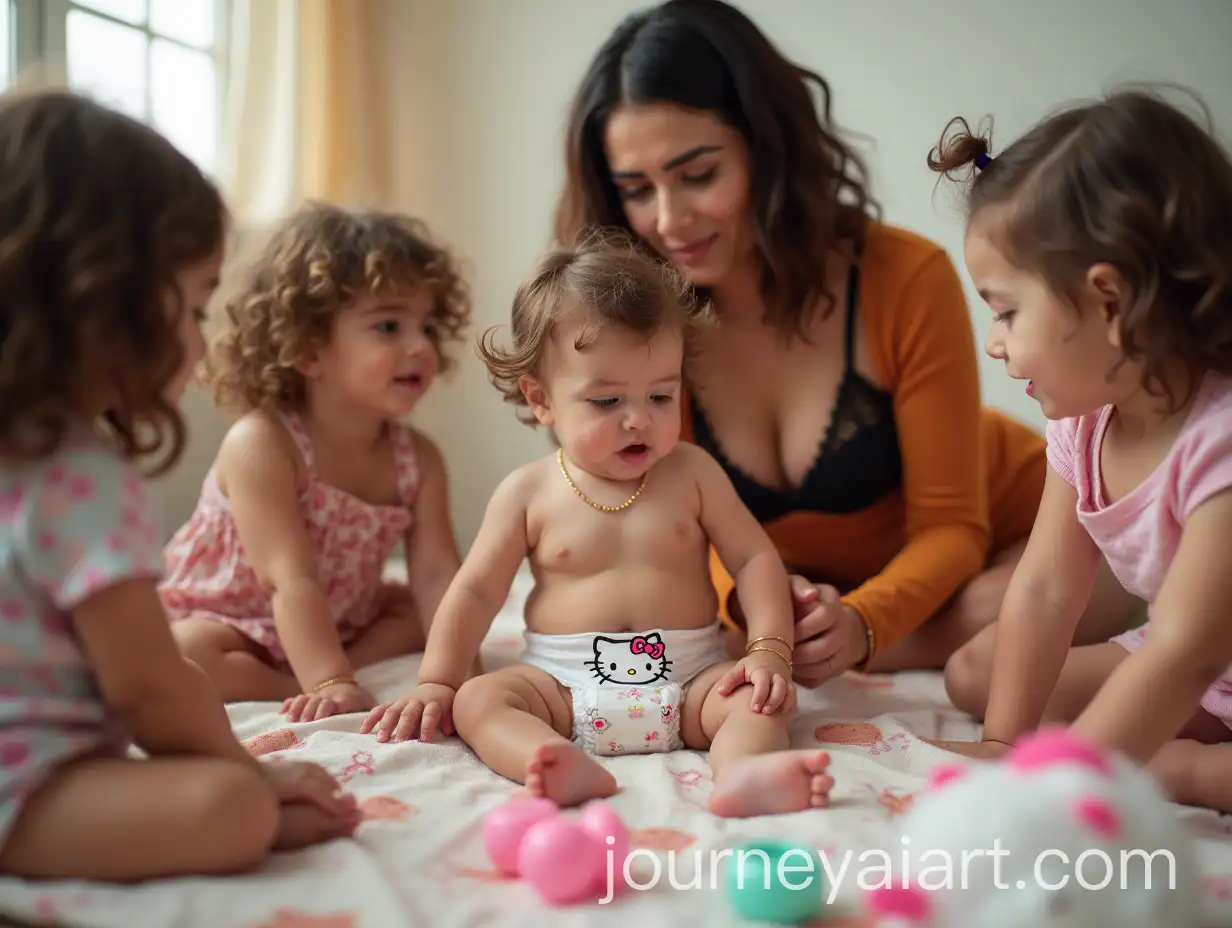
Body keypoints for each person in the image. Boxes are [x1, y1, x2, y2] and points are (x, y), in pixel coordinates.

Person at [552, 0, 1142, 686]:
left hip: (1008, 548)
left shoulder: (904, 277)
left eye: (699, 174)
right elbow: (669, 526)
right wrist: (759, 609)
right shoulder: (638, 332)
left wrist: (862, 624)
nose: (669, 218)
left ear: (765, 146)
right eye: (635, 189)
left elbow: (953, 527)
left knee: (1020, 607)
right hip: (819, 598)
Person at [0, 89, 357, 881]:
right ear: (101, 299)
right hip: (27, 792)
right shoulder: (79, 478)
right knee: (230, 809)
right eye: (195, 308)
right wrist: (249, 773)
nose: (202, 341)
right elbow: (150, 688)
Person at [361, 233, 834, 816]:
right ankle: (552, 761)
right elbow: (476, 590)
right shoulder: (527, 492)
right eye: (607, 402)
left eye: (661, 396)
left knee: (757, 703)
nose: (639, 420)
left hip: (690, 682)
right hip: (561, 688)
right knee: (480, 700)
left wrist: (767, 652)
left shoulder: (693, 472)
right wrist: (438, 678)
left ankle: (743, 773)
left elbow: (755, 560)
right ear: (541, 400)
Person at [928, 88, 1232, 812]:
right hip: (1204, 674)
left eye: (1005, 311)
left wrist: (1051, 784)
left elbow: (1188, 650)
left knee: (1175, 766)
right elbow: (1044, 589)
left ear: (1109, 303)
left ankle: (1188, 771)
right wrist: (1006, 744)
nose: (994, 341)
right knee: (974, 674)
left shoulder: (1219, 441)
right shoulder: (1087, 421)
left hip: (1198, 658)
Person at [160, 202, 473, 722]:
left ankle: (325, 663)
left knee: (422, 614)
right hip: (240, 621)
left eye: (428, 326)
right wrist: (332, 681)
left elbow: (439, 574)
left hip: (341, 618)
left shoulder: (418, 459)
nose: (420, 346)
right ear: (307, 349)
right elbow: (289, 580)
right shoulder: (262, 444)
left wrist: (464, 674)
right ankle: (288, 683)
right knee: (183, 651)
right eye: (389, 326)